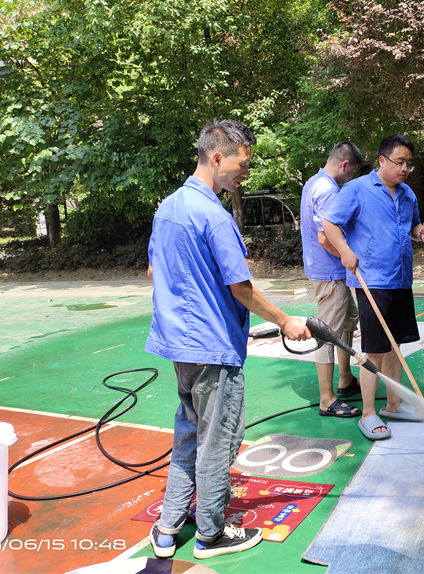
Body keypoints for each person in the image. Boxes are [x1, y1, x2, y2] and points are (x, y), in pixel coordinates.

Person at [145, 120, 310, 560]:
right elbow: (240, 288)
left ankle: (167, 527)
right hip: (213, 350)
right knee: (216, 443)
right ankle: (211, 535)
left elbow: (155, 270)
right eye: (243, 164)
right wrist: (286, 321)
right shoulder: (215, 217)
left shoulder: (168, 208)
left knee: (188, 434)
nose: (246, 173)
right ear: (218, 157)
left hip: (180, 346)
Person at [322, 133, 424, 441]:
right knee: (374, 349)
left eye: (409, 164)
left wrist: (421, 234)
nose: (405, 169)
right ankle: (369, 413)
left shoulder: (408, 194)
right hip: (372, 280)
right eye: (400, 162)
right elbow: (330, 224)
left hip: (401, 279)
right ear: (382, 160)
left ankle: (394, 404)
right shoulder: (357, 189)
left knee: (396, 346)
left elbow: (412, 227)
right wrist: (345, 251)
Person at [300, 142, 364, 419]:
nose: (350, 178)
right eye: (352, 172)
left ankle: (345, 378)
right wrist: (347, 256)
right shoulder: (328, 190)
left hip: (328, 270)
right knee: (327, 334)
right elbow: (325, 237)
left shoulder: (313, 182)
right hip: (330, 271)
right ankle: (327, 399)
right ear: (345, 165)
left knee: (348, 320)